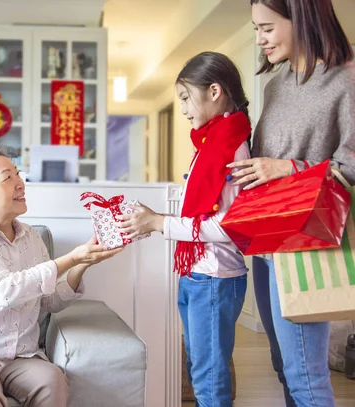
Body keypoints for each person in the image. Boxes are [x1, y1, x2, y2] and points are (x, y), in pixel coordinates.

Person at [0, 143, 122, 407]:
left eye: (18, 174)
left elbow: (50, 302)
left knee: (52, 380)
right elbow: (5, 291)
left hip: (20, 358)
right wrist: (72, 257)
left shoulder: (31, 236)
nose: (20, 183)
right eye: (8, 178)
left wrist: (82, 263)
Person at [228, 1, 355, 405]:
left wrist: (287, 167)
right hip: (267, 238)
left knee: (305, 374)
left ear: (301, 18)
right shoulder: (276, 84)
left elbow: (350, 164)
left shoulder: (346, 80)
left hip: (307, 240)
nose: (259, 39)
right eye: (255, 29)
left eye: (267, 27)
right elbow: (265, 160)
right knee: (283, 365)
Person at [117, 52, 252, 406]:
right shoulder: (210, 142)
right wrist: (155, 220)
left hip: (215, 278)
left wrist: (160, 223)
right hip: (197, 274)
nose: (183, 109)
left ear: (214, 91)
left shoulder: (233, 146)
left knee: (209, 379)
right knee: (199, 371)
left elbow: (229, 226)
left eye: (184, 98)